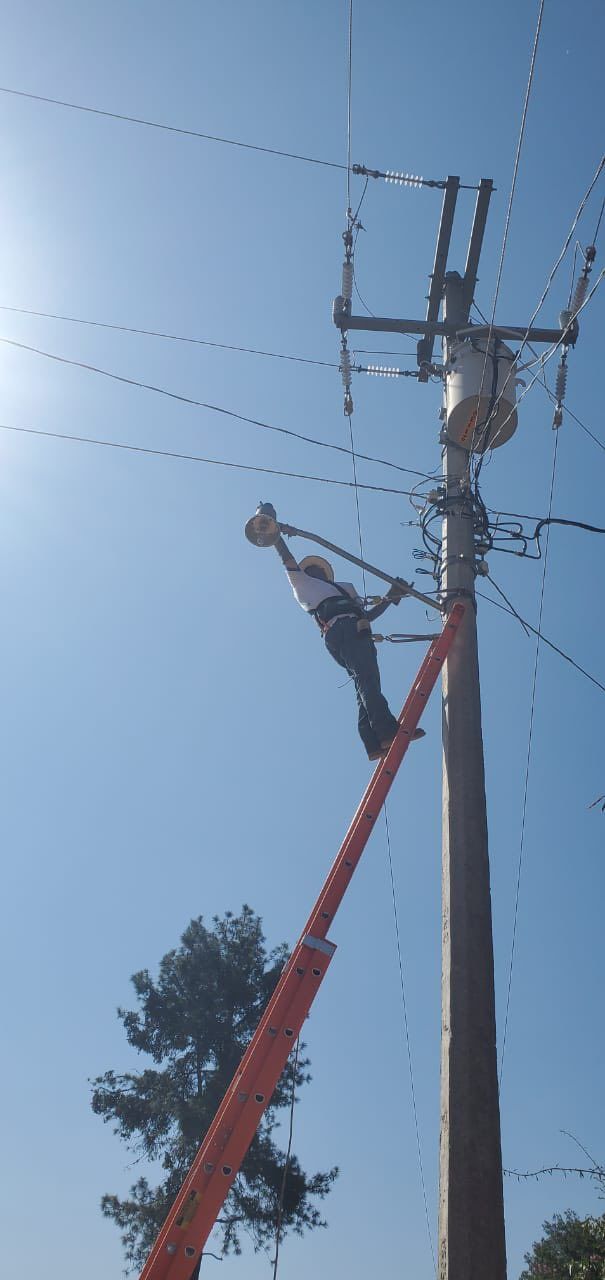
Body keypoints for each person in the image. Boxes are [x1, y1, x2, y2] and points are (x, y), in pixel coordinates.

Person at [271, 528, 424, 762]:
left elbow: (366, 616)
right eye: (310, 568)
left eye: (318, 569)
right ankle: (386, 731)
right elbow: (287, 558)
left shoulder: (344, 589)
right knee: (366, 679)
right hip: (340, 630)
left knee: (364, 682)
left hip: (354, 629)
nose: (314, 571)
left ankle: (374, 743)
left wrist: (392, 596)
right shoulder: (301, 583)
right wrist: (275, 535)